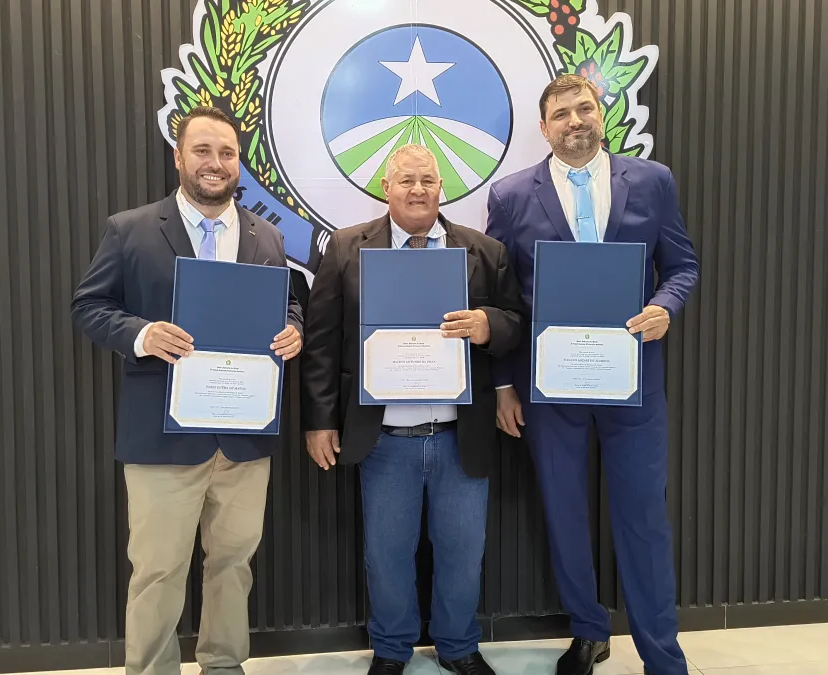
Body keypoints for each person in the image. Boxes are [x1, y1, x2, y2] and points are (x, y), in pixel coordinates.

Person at [70, 106, 303, 675]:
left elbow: (290, 302)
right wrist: (143, 334)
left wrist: (294, 328)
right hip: (162, 439)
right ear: (178, 157)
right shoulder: (130, 229)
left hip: (244, 439)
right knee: (157, 571)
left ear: (238, 162)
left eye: (226, 152)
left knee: (234, 565)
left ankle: (224, 664)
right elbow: (89, 306)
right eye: (202, 150)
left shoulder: (267, 235)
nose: (214, 163)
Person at [485, 75, 699, 675]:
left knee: (643, 517)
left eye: (584, 109)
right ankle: (588, 631)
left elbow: (682, 265)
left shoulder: (652, 181)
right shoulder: (510, 195)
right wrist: (503, 383)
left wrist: (666, 307)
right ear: (544, 127)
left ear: (600, 114)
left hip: (632, 379)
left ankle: (663, 655)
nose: (575, 120)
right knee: (564, 510)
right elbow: (501, 297)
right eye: (561, 114)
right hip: (549, 384)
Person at [301, 145, 523, 675]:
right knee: (387, 554)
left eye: (428, 180)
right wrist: (319, 420)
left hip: (459, 434)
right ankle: (392, 648)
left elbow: (516, 321)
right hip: (383, 438)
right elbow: (322, 343)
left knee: (463, 551)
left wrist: (489, 325)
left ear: (442, 187)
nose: (418, 189)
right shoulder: (347, 248)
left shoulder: (485, 251)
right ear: (386, 187)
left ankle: (458, 646)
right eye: (406, 180)